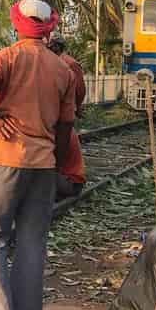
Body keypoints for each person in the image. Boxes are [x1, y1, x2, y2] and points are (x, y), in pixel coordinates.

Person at [0, 0, 76, 310]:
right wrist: (55, 160)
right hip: (43, 164)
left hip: (4, 158)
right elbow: (66, 123)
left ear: (17, 24)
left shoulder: (7, 57)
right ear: (50, 27)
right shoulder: (63, 70)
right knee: (32, 242)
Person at [47, 34, 87, 200]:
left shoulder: (68, 63)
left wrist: (75, 107)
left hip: (68, 180)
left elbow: (79, 89)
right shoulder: (59, 62)